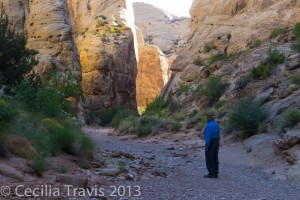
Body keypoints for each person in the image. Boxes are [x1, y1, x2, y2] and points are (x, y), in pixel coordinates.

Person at [203, 111, 220, 178]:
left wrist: (206, 146)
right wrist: (218, 142)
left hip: (211, 142)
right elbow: (218, 134)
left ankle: (211, 173)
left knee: (209, 157)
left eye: (207, 116)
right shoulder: (216, 124)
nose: (206, 118)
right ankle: (216, 172)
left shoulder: (209, 125)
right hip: (216, 141)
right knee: (215, 157)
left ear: (210, 117)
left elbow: (208, 137)